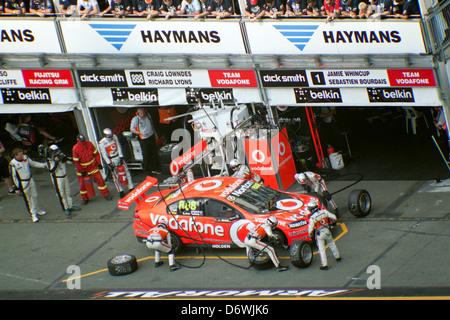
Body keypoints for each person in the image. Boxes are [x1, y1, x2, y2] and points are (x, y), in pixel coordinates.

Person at [9, 148, 47, 223]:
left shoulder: (25, 158)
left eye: (22, 153)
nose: (22, 156)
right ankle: (33, 214)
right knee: (28, 198)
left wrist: (44, 165)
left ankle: (37, 209)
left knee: (35, 195)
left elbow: (33, 163)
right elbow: (14, 177)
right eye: (20, 155)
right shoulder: (13, 164)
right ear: (15, 155)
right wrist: (17, 188)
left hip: (30, 180)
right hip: (23, 183)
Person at [72, 133, 112, 205]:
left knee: (100, 180)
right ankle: (84, 198)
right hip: (83, 169)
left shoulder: (89, 144)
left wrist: (99, 163)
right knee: (82, 185)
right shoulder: (75, 149)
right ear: (78, 140)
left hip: (93, 167)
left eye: (83, 140)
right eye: (81, 141)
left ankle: (106, 194)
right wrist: (82, 171)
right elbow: (76, 162)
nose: (83, 142)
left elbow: (96, 154)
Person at [42, 144, 80, 216]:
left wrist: (66, 158)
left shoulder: (61, 156)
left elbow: (70, 162)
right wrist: (56, 162)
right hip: (58, 178)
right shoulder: (49, 159)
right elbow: (51, 170)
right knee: (61, 194)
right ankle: (65, 208)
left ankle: (70, 205)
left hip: (65, 176)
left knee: (68, 192)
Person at [99, 128, 134, 198]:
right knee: (115, 176)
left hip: (118, 156)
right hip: (112, 160)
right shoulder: (101, 143)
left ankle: (131, 187)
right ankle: (120, 191)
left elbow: (118, 146)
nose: (111, 138)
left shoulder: (114, 137)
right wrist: (109, 163)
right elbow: (104, 154)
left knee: (127, 171)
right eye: (109, 136)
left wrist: (121, 156)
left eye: (111, 135)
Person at [307, 202, 340, 270]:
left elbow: (310, 230)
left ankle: (324, 265)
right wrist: (332, 224)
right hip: (327, 231)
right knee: (332, 244)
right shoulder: (324, 211)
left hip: (319, 235)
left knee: (322, 250)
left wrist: (311, 237)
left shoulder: (312, 218)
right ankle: (337, 257)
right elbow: (334, 217)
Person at [130, 108, 161, 175]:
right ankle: (146, 169)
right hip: (143, 138)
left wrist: (155, 134)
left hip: (151, 135)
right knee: (146, 154)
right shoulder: (135, 119)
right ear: (137, 113)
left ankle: (154, 167)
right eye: (140, 113)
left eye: (143, 113)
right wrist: (141, 133)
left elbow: (152, 125)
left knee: (153, 152)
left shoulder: (148, 116)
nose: (142, 114)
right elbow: (132, 130)